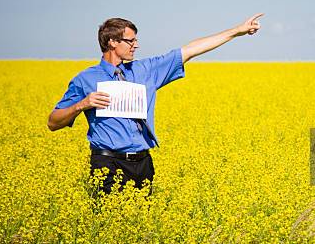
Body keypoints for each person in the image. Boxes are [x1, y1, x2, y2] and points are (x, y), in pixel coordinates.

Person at [48, 13, 263, 194]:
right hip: (107, 165)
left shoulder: (145, 71)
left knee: (140, 230)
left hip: (142, 163)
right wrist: (82, 105)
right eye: (130, 41)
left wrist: (236, 31)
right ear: (112, 42)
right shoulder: (85, 79)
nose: (136, 45)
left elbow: (189, 50)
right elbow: (53, 122)